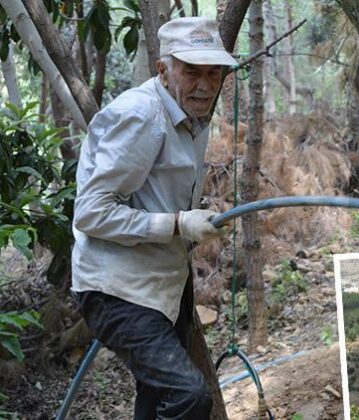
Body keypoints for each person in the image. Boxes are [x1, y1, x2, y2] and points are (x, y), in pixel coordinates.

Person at [71, 17, 236, 419]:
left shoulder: (194, 117)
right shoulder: (142, 116)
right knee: (189, 396)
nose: (204, 83)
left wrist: (196, 221)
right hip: (118, 291)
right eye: (191, 70)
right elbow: (92, 212)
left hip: (162, 286)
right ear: (163, 69)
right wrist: (178, 224)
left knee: (156, 398)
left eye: (213, 72)